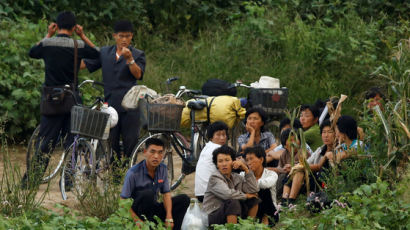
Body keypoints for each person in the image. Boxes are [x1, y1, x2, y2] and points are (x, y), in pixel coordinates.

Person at [23, 11, 99, 186]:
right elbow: (97, 53)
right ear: (74, 27)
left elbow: (32, 52)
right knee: (72, 141)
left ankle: (32, 180)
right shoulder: (77, 45)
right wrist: (83, 35)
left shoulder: (47, 44)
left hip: (51, 99)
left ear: (56, 25)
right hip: (71, 99)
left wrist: (48, 34)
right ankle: (68, 181)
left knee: (45, 141)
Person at [82, 20, 146, 160]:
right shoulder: (105, 52)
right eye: (121, 36)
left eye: (127, 36)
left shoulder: (137, 54)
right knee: (112, 143)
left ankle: (128, 174)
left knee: (131, 143)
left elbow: (138, 74)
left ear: (131, 36)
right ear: (114, 36)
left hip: (131, 106)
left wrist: (130, 59)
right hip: (111, 106)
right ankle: (115, 177)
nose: (124, 39)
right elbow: (85, 63)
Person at [120, 138, 190, 230]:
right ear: (145, 152)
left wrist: (169, 217)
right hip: (138, 213)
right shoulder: (133, 173)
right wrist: (136, 220)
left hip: (153, 208)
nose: (156, 156)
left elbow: (166, 194)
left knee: (184, 199)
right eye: (152, 152)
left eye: (160, 152)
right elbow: (122, 201)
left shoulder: (162, 169)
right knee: (147, 194)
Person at [203, 145, 260, 225]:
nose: (224, 164)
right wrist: (245, 196)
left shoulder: (237, 177)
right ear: (217, 165)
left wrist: (246, 169)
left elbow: (254, 189)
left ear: (233, 162)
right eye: (220, 161)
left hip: (233, 212)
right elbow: (228, 195)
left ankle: (249, 226)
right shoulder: (214, 178)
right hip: (214, 215)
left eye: (227, 160)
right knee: (233, 202)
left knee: (254, 199)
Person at [282, 119, 335, 204]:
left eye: (329, 132)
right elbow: (307, 162)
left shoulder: (336, 151)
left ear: (336, 134)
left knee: (299, 170)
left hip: (322, 182)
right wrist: (295, 166)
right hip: (311, 180)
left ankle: (289, 201)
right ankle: (285, 201)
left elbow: (316, 167)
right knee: (295, 171)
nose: (326, 135)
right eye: (324, 132)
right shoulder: (319, 150)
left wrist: (299, 166)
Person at [244, 146, 279, 225]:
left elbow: (265, 184)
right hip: (251, 210)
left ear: (261, 160)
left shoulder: (271, 174)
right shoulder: (244, 174)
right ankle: (250, 221)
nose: (249, 163)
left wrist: (250, 184)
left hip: (270, 212)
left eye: (251, 159)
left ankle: (265, 220)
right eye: (247, 160)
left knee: (263, 190)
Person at [195, 121, 229, 202]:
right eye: (218, 135)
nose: (222, 138)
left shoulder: (207, 147)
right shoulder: (217, 149)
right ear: (211, 137)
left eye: (224, 134)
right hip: (211, 194)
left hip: (200, 194)